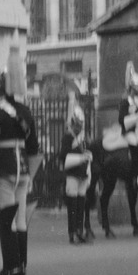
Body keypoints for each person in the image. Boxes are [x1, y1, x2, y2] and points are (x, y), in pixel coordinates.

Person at [0, 68, 43, 275]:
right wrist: (31, 174)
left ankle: (12, 268)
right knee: (21, 219)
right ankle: (22, 265)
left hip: (4, 170)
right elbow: (34, 148)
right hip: (23, 170)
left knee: (7, 221)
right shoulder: (25, 111)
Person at [117, 61, 138, 235]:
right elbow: (121, 120)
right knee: (135, 147)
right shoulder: (126, 101)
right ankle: (137, 173)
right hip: (129, 132)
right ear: (131, 87)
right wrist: (134, 116)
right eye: (136, 86)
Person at [60, 88, 92, 245]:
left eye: (81, 125)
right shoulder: (67, 138)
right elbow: (63, 157)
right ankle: (72, 232)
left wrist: (88, 160)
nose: (79, 127)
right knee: (72, 206)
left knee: (80, 205)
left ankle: (80, 230)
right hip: (72, 174)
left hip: (82, 174)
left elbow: (86, 152)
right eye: (77, 125)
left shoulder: (81, 138)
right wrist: (81, 158)